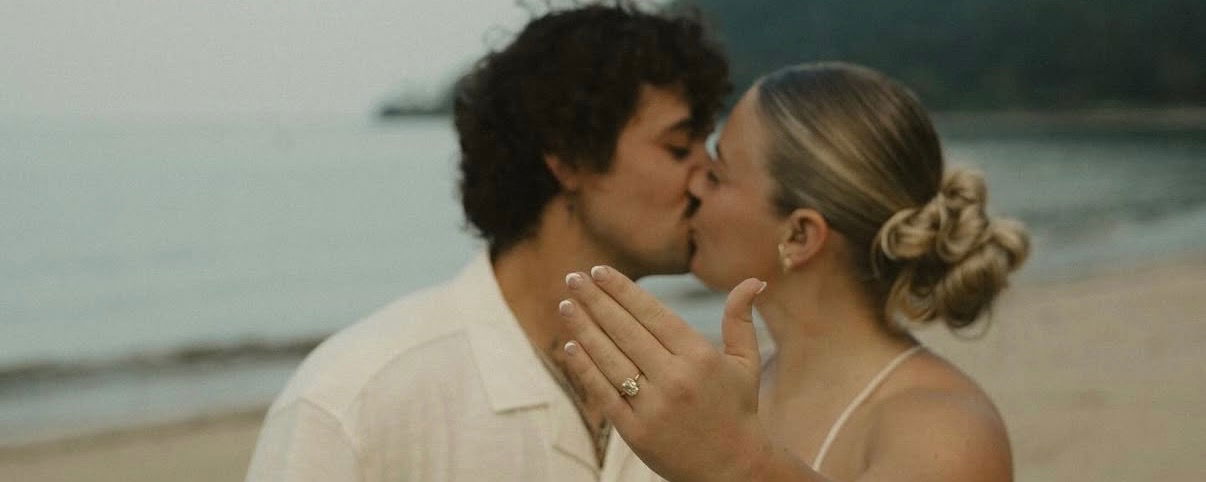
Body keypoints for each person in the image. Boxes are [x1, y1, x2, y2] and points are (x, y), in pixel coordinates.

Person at [244, 4, 729, 481]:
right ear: (568, 158)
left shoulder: (691, 390)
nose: (707, 177)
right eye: (679, 148)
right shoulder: (354, 398)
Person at [557, 62, 1030, 481]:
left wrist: (737, 463)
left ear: (801, 236)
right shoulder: (735, 387)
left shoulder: (944, 428)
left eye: (718, 174)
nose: (694, 183)